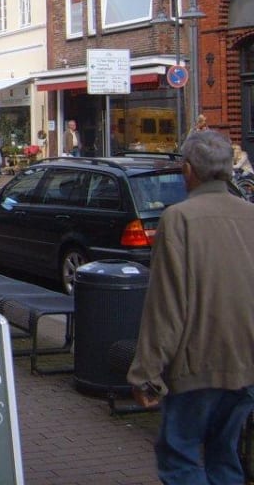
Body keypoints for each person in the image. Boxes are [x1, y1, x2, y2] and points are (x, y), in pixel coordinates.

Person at [127, 130, 254, 484]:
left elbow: (166, 304)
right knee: (224, 456)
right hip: (245, 364)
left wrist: (146, 373)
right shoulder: (250, 215)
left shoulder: (179, 218)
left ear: (188, 170)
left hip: (197, 363)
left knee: (178, 459)